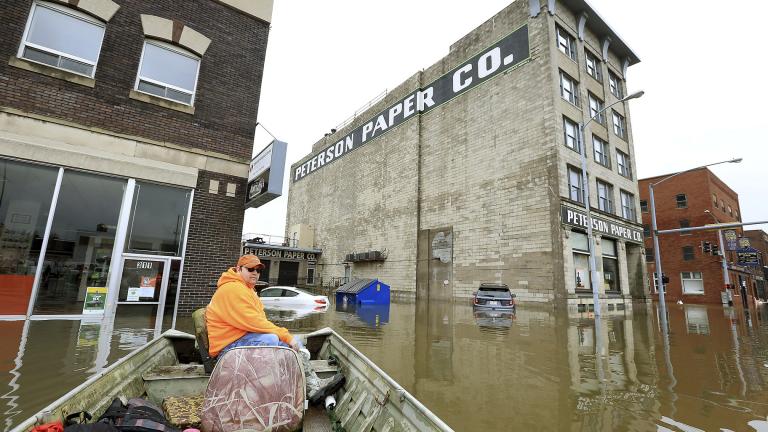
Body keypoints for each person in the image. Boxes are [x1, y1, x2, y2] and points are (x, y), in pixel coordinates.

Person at [206, 254, 343, 404]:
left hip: (241, 338)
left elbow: (259, 322)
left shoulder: (247, 289)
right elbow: (255, 322)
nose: (255, 273)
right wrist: (285, 337)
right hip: (227, 349)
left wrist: (288, 339)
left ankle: (312, 385)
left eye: (258, 270)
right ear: (239, 269)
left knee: (289, 341)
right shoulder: (232, 290)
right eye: (250, 269)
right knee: (273, 339)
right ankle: (307, 387)